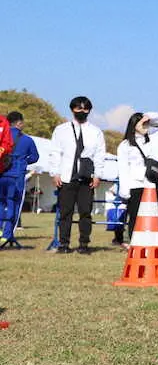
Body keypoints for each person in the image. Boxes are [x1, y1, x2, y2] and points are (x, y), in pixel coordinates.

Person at [49, 96, 106, 255]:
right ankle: (64, 243)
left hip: (86, 177)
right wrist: (55, 173)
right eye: (78, 108)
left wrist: (98, 175)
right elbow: (55, 152)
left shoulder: (95, 132)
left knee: (85, 212)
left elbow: (99, 155)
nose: (82, 111)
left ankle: (84, 244)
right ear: (72, 109)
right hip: (67, 176)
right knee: (65, 212)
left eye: (85, 109)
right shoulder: (61, 130)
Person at [115, 111, 158, 247]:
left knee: (153, 214)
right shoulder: (125, 145)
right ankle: (134, 243)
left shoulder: (155, 138)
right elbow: (123, 169)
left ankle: (151, 243)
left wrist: (150, 116)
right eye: (142, 123)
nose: (146, 125)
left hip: (152, 183)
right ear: (134, 124)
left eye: (148, 123)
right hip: (135, 185)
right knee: (134, 216)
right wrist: (124, 190)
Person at [0, 111, 39, 249]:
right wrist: (23, 162)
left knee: (0, 202)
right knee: (14, 204)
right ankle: (7, 234)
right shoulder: (27, 139)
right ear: (19, 123)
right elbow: (35, 157)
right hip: (16, 176)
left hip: (1, 173)